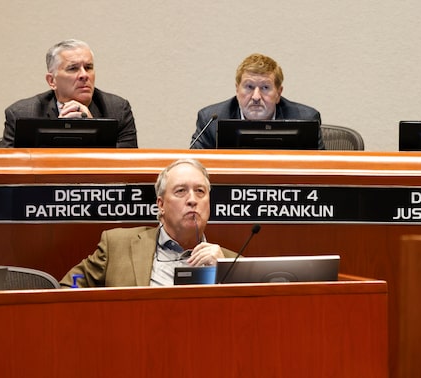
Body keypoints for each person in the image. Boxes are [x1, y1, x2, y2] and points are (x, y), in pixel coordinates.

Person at [60, 158, 236, 287]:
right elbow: (73, 285)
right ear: (161, 205)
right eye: (181, 191)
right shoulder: (118, 245)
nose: (192, 199)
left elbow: (250, 316)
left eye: (200, 191)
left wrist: (225, 273)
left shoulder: (232, 263)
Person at [1, 39, 138, 148]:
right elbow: (6, 169)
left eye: (88, 67)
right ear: (52, 81)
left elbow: (129, 164)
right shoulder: (21, 114)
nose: (84, 75)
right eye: (73, 68)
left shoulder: (118, 109)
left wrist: (93, 128)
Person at [190, 53, 324, 149]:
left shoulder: (305, 119)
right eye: (249, 87)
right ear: (237, 90)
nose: (256, 97)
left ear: (279, 93)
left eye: (265, 88)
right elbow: (194, 169)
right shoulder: (211, 120)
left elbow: (322, 172)